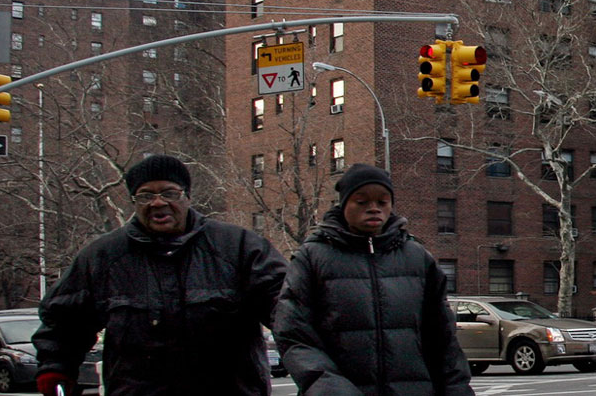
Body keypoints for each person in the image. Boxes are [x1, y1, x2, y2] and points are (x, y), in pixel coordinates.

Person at [34, 154, 288, 396]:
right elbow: (64, 322)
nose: (158, 203)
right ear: (134, 201)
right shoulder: (103, 257)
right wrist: (55, 370)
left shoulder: (238, 248)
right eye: (146, 195)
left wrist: (306, 366)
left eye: (169, 193)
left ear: (187, 196)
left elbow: (288, 311)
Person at [274, 163, 474, 396]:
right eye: (362, 202)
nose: (374, 209)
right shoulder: (312, 257)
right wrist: (330, 388)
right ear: (344, 204)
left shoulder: (417, 257)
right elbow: (294, 334)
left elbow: (443, 338)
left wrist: (456, 388)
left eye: (382, 202)